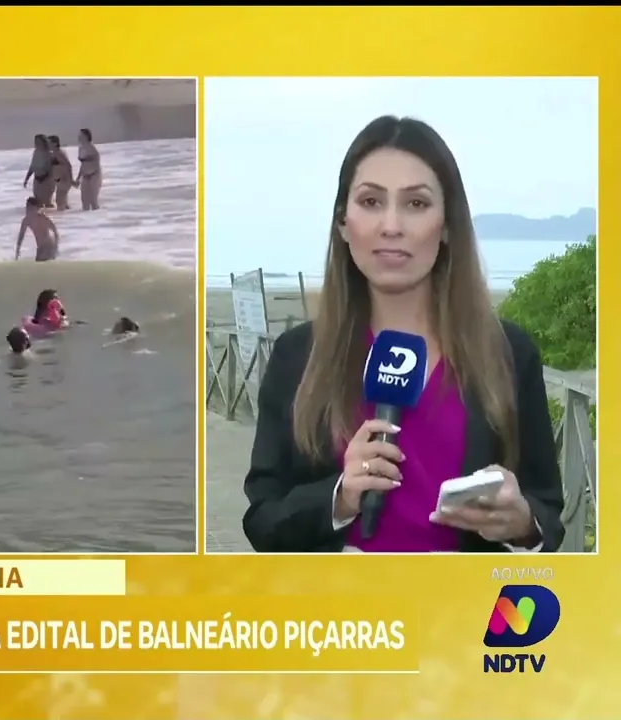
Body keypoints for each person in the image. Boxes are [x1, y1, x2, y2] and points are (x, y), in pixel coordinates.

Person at [241, 115, 564, 554]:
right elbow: (263, 521)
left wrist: (522, 523)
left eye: (416, 203)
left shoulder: (509, 353)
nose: (391, 225)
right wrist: (340, 497)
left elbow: (547, 512)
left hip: (463, 597)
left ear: (446, 225)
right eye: (371, 201)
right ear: (343, 223)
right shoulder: (297, 356)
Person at [15, 197, 60, 262]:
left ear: (36, 208)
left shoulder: (42, 218)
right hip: (40, 247)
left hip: (49, 246)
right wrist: (17, 250)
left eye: (30, 207)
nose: (28, 209)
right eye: (27, 207)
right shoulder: (26, 220)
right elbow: (21, 236)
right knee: (38, 264)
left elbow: (55, 231)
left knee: (41, 264)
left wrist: (55, 247)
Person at [74, 128, 102, 210]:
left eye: (81, 135)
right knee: (84, 200)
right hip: (85, 175)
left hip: (94, 175)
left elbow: (96, 163)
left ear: (86, 136)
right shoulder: (80, 149)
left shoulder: (92, 148)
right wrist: (78, 177)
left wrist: (92, 174)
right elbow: (83, 164)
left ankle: (97, 216)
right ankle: (85, 217)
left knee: (93, 200)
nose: (79, 137)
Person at [23, 134, 54, 208]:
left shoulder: (49, 153)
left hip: (47, 181)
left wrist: (44, 178)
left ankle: (56, 215)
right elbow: (32, 166)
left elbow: (51, 169)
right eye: (35, 142)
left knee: (47, 202)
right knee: (38, 203)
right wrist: (26, 179)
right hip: (37, 180)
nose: (36, 143)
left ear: (44, 142)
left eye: (38, 142)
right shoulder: (36, 152)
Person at [48, 135, 74, 211]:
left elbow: (68, 165)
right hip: (60, 180)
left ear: (55, 143)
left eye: (49, 143)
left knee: (60, 201)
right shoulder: (54, 153)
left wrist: (71, 179)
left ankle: (64, 216)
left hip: (64, 180)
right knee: (63, 202)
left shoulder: (59, 153)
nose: (48, 145)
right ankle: (69, 215)